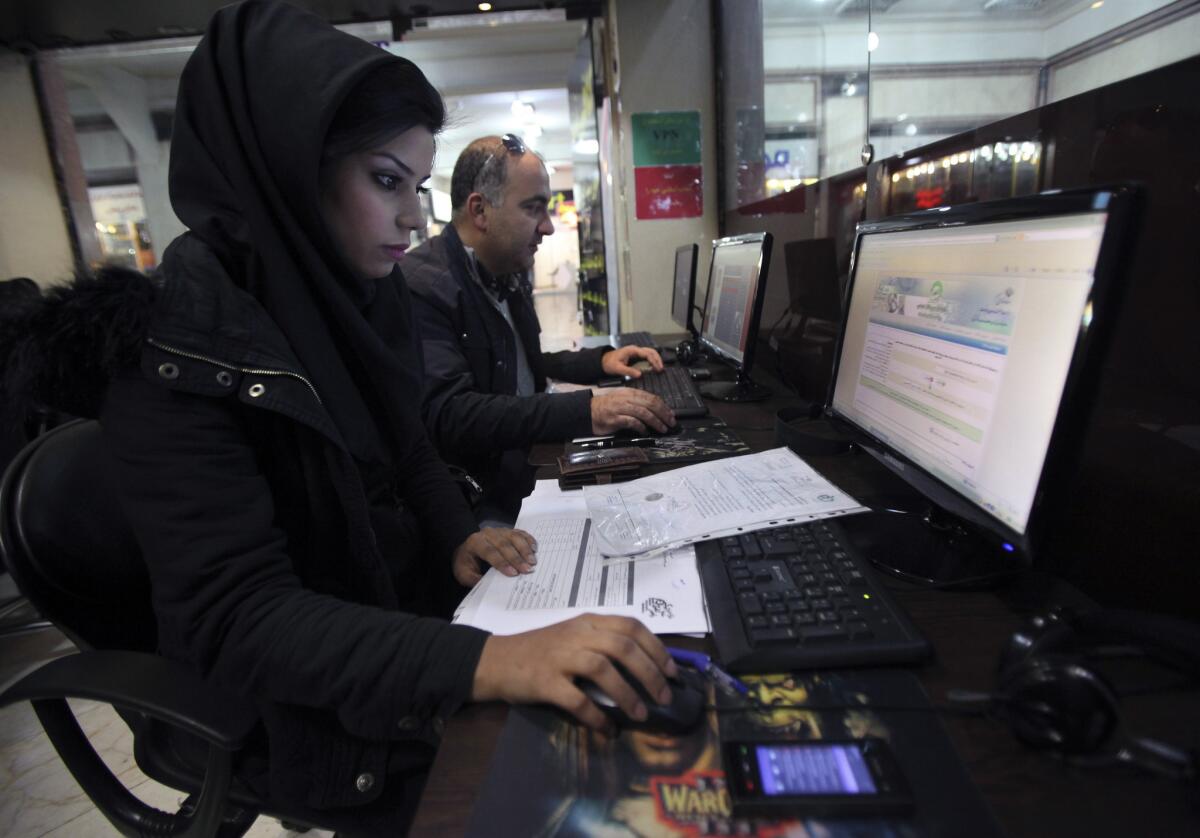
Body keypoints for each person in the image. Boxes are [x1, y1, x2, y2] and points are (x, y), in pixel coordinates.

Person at [1, 2, 677, 833]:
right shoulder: (172, 353)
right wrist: (491, 660)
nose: (413, 219)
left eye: (418, 188)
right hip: (307, 714)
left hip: (393, 626)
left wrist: (452, 527)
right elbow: (240, 620)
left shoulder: (355, 298)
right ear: (288, 168)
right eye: (385, 180)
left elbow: (409, 440)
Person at [405, 134, 676, 525]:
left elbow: (522, 365)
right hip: (481, 502)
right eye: (534, 209)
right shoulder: (424, 287)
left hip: (522, 463)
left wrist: (600, 362)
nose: (548, 227)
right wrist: (586, 409)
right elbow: (452, 414)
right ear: (480, 210)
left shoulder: (506, 271)